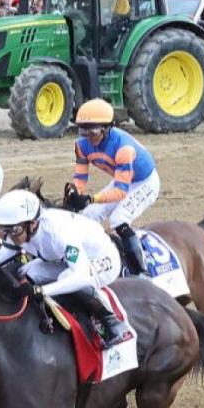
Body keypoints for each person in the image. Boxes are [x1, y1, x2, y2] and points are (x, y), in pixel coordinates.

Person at [0, 189, 132, 347]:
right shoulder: (20, 230)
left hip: (101, 258)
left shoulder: (58, 233)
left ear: (32, 223)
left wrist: (42, 291)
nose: (10, 235)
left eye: (14, 230)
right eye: (5, 230)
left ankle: (113, 323)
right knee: (27, 271)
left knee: (66, 278)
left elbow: (81, 276)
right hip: (64, 260)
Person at [64, 98, 159, 276]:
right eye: (83, 131)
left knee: (119, 219)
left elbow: (121, 192)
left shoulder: (123, 148)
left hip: (144, 182)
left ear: (107, 128)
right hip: (121, 179)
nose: (88, 137)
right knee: (87, 215)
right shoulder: (81, 145)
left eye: (93, 132)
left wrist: (91, 198)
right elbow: (80, 177)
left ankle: (141, 272)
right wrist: (76, 193)